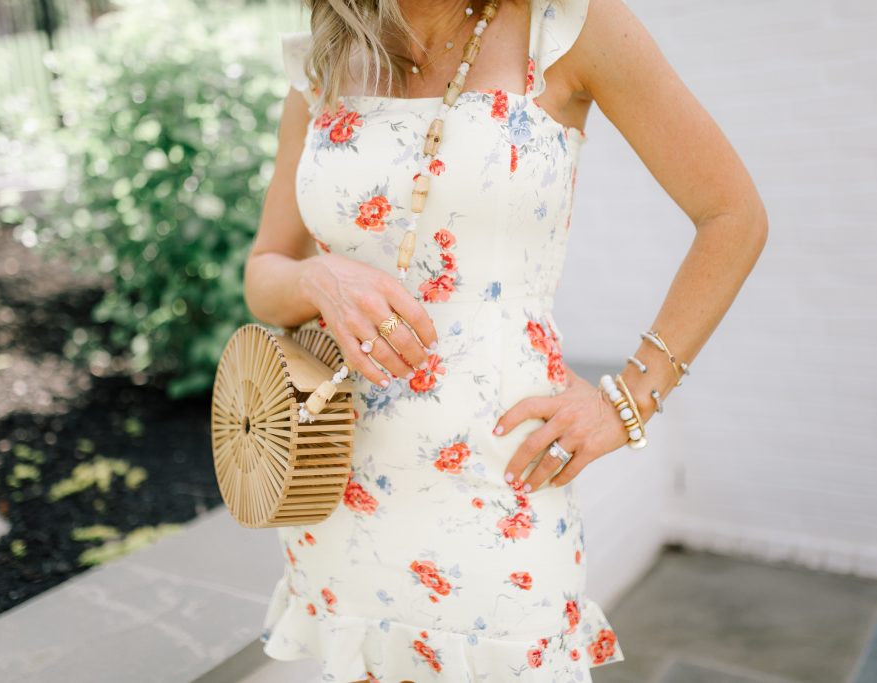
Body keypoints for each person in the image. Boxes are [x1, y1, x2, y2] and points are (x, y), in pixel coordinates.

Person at [244, 0, 768, 680]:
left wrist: (629, 400)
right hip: (340, 483)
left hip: (502, 481)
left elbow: (732, 214)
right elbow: (264, 274)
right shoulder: (324, 57)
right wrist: (320, 279)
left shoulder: (570, 26)